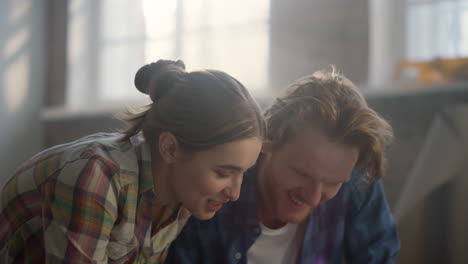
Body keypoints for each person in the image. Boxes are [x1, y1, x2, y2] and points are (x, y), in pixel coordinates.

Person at [0, 59, 266, 263]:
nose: (235, 193)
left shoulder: (183, 195)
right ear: (170, 148)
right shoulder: (96, 177)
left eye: (243, 173)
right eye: (223, 172)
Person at [166, 69, 400, 264]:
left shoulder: (358, 184)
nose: (313, 197)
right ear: (267, 144)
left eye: (333, 182)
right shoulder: (212, 189)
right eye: (302, 173)